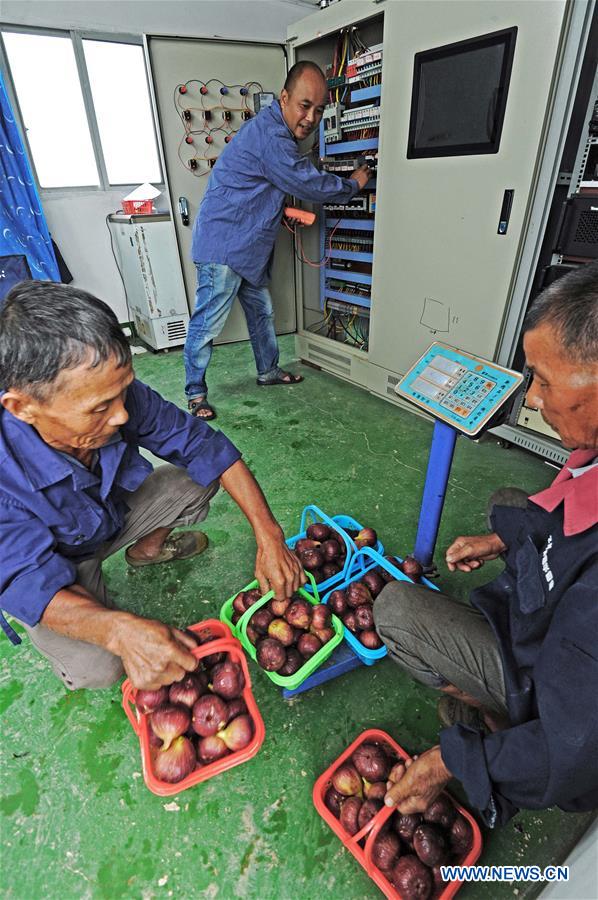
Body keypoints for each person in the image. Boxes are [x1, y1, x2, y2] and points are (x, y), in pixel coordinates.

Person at [374, 261, 598, 826]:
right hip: (556, 631)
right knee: (509, 500)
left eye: (545, 380)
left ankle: (501, 721)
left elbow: (574, 749)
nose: (534, 399)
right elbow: (564, 508)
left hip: (557, 693)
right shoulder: (590, 456)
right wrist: (501, 540)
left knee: (394, 610)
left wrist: (451, 762)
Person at [0, 282, 304, 691]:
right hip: (55, 567)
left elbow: (207, 448)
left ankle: (146, 550)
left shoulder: (114, 393)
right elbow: (28, 582)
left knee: (195, 479)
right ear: (22, 407)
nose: (122, 416)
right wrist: (117, 631)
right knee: (102, 668)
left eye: (123, 391)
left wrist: (270, 536)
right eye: (100, 408)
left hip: (108, 517)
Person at [184, 60, 371, 420]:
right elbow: (307, 183)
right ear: (284, 98)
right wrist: (354, 184)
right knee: (207, 323)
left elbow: (258, 186)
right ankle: (195, 393)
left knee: (261, 311)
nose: (311, 118)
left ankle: (268, 370)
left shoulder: (273, 133)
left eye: (319, 110)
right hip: (224, 246)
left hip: (247, 247)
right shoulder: (272, 137)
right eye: (304, 106)